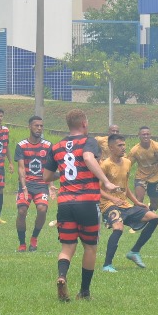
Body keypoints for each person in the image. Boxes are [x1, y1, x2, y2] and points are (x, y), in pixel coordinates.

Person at [44, 109, 118, 301]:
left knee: (67, 247)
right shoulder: (89, 141)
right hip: (87, 202)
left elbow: (46, 176)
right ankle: (84, 292)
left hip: (65, 203)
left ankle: (62, 276)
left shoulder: (57, 146)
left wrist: (66, 171)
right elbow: (87, 158)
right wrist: (106, 181)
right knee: (90, 247)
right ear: (84, 124)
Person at [98, 133, 158, 272]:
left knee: (154, 218)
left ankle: (134, 251)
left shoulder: (127, 162)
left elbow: (125, 187)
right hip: (108, 205)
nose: (123, 148)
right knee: (118, 228)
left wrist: (137, 202)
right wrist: (112, 198)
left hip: (125, 205)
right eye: (119, 145)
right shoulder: (105, 165)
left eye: (124, 145)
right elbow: (96, 189)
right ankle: (107, 265)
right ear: (111, 148)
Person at [15, 115, 54, 252]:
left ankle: (34, 238)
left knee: (42, 209)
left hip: (41, 184)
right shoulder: (21, 146)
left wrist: (50, 185)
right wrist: (24, 187)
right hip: (26, 184)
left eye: (41, 126)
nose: (39, 128)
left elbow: (50, 167)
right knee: (22, 211)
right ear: (29, 127)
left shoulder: (48, 146)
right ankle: (22, 243)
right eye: (36, 125)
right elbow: (21, 168)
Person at [127, 126, 158, 211]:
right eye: (143, 134)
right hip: (141, 177)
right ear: (139, 135)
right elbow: (127, 164)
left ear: (150, 135)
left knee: (155, 205)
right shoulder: (135, 150)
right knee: (138, 200)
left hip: (155, 177)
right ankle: (137, 219)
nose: (145, 136)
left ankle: (149, 210)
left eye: (147, 134)